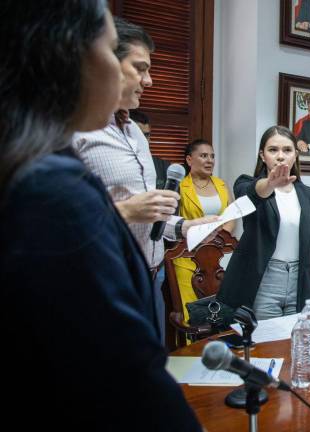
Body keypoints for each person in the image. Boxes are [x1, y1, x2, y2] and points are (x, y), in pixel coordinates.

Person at [0, 1, 201, 429]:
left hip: (149, 269)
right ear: (69, 57)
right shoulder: (52, 185)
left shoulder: (37, 159)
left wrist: (181, 224)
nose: (148, 80)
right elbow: (125, 373)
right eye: (112, 51)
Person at [73, 17, 216, 341]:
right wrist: (124, 212)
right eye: (139, 68)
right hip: (104, 279)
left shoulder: (136, 133)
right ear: (104, 62)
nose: (149, 81)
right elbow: (54, 221)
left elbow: (148, 211)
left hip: (152, 276)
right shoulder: (74, 130)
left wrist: (184, 227)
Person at [218, 126, 310, 319]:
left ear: (295, 155)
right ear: (262, 155)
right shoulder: (245, 184)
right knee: (267, 345)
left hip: (299, 280)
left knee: (296, 341)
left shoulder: (307, 194)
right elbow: (252, 193)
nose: (280, 156)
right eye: (273, 150)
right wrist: (270, 184)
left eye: (287, 150)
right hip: (264, 280)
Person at [174, 138, 235, 323]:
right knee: (190, 314)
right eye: (203, 156)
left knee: (222, 311)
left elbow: (231, 216)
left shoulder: (222, 185)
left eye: (212, 156)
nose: (210, 160)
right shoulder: (180, 187)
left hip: (219, 257)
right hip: (188, 258)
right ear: (189, 160)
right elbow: (175, 223)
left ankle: (221, 349)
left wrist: (219, 239)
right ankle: (191, 350)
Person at [129, 109, 171, 190]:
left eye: (146, 135)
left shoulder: (163, 166)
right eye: (139, 134)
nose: (144, 140)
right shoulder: (116, 163)